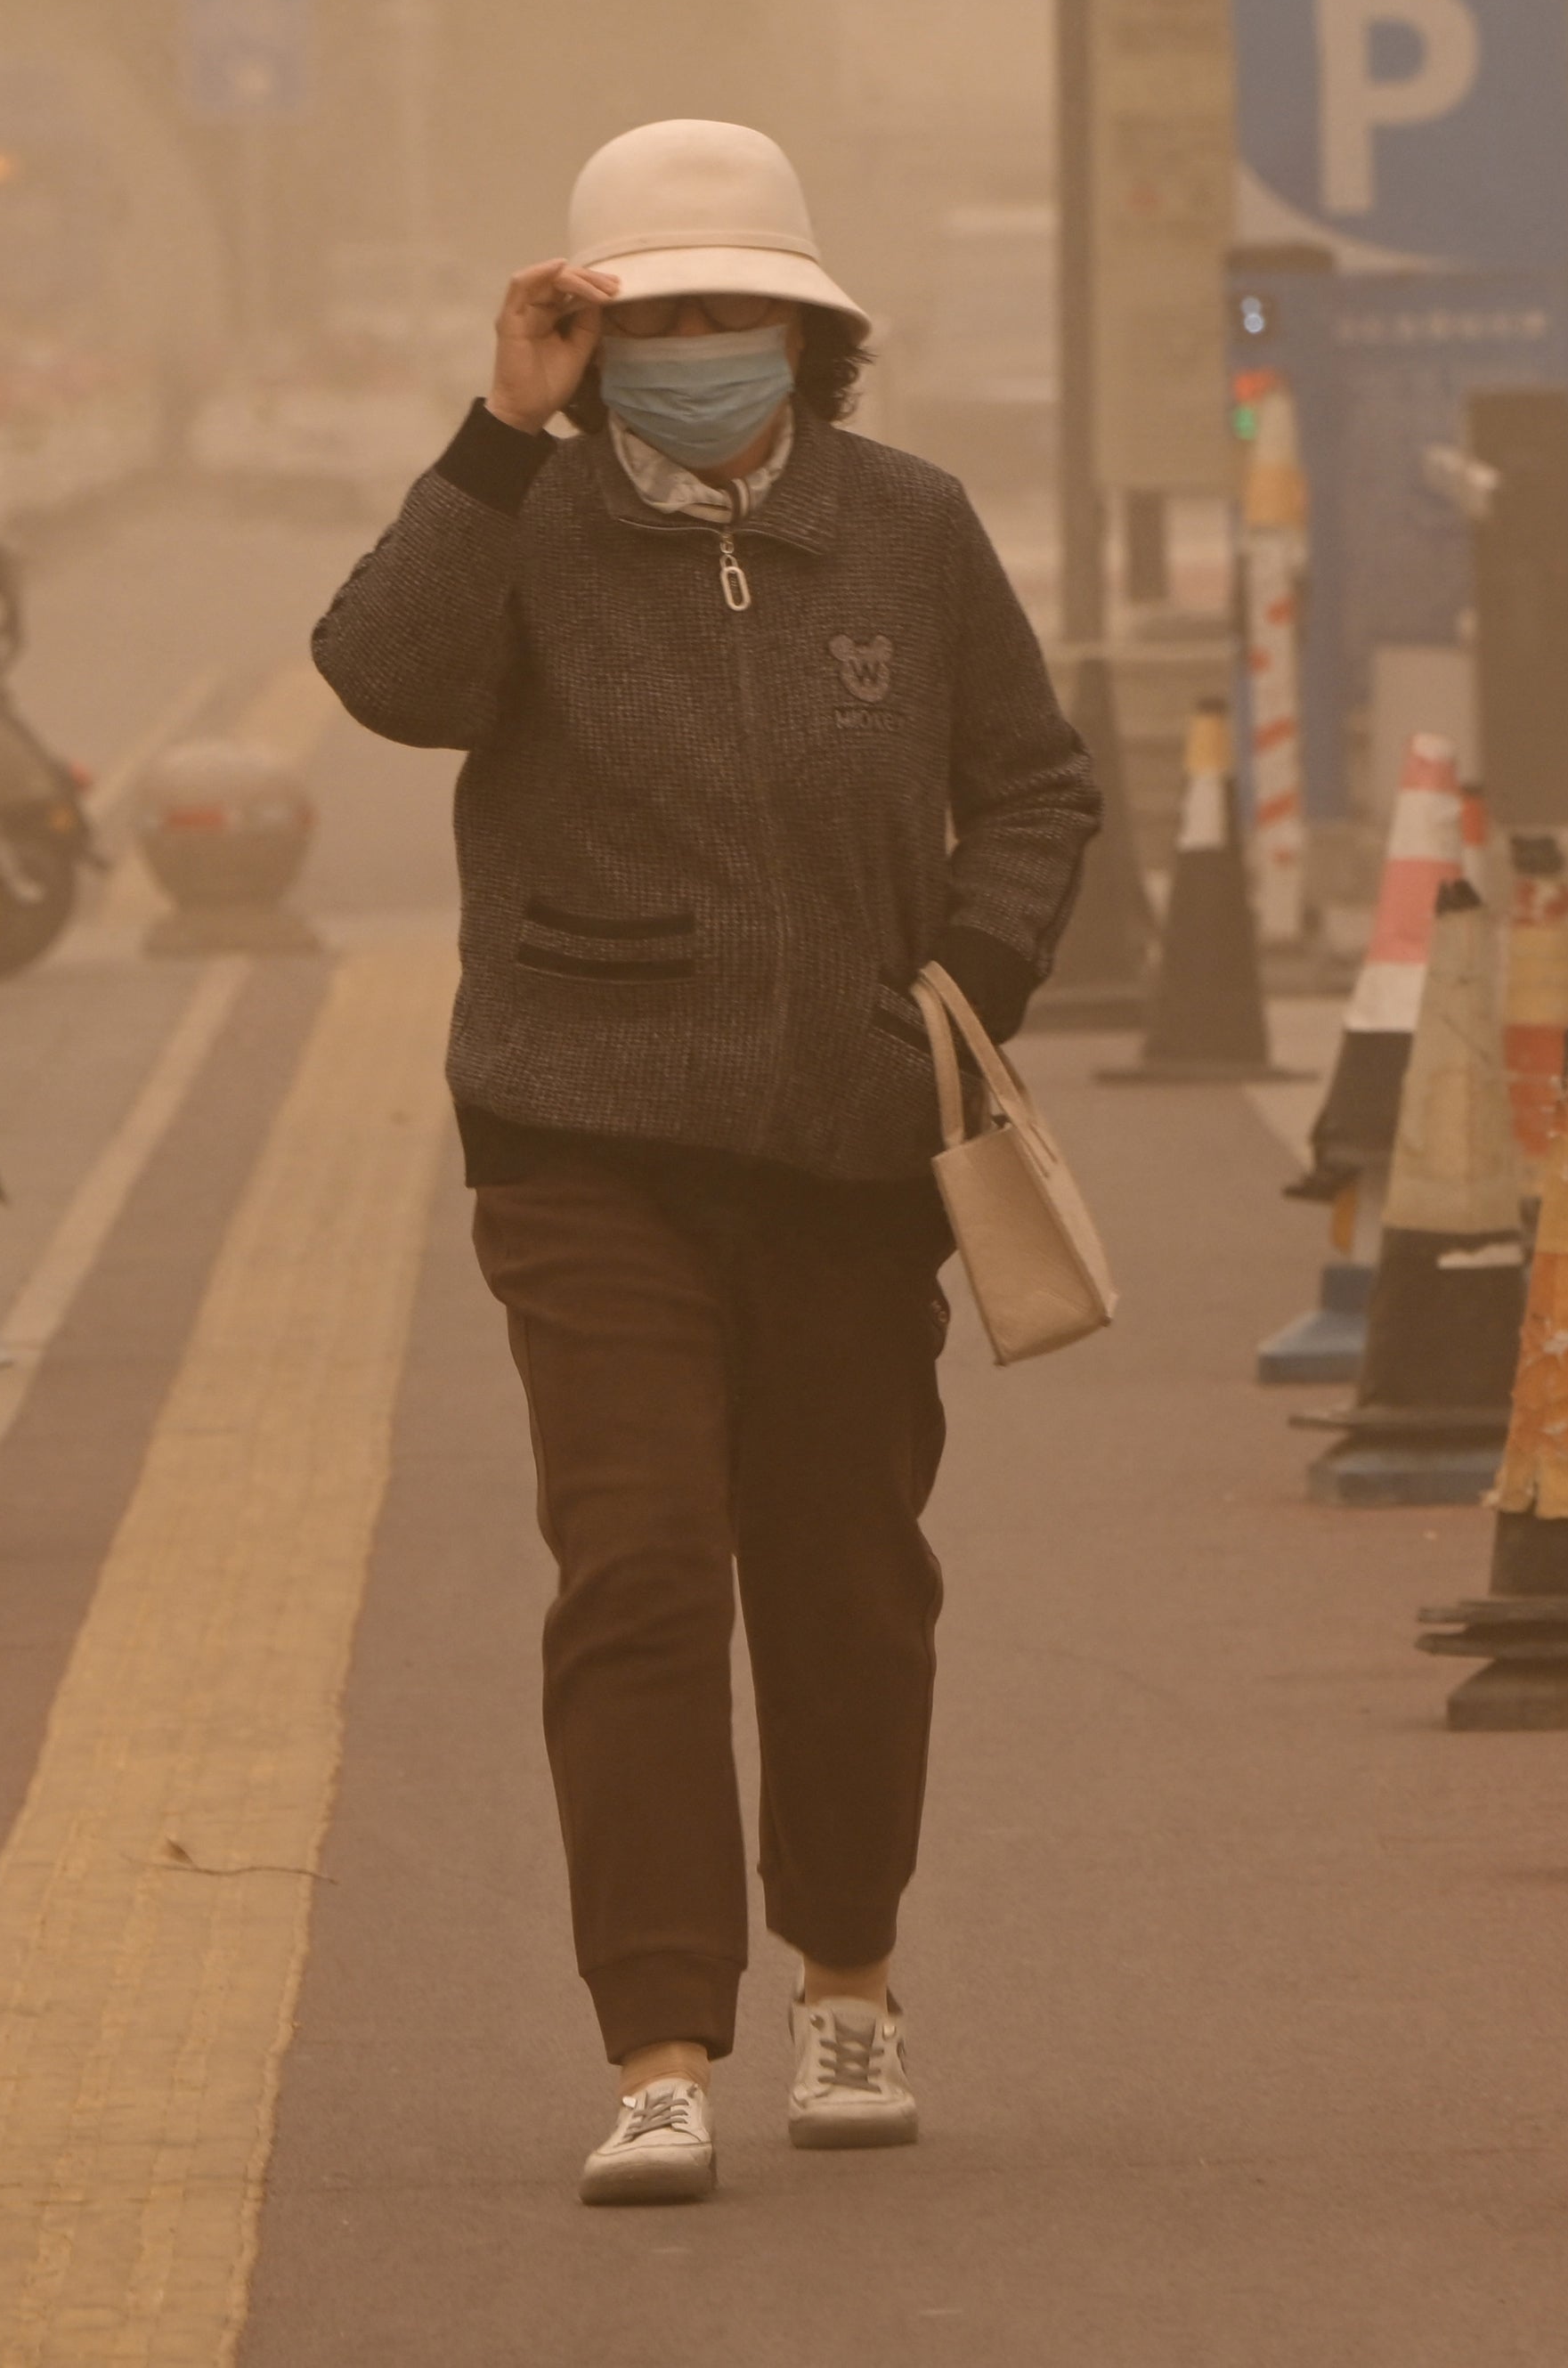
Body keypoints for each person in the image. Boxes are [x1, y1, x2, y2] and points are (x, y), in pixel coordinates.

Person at [311, 117, 1099, 2208]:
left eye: (737, 309)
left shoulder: (911, 532)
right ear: (587, 327)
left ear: (814, 334)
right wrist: (497, 436)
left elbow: (1034, 787)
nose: (697, 347)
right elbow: (383, 681)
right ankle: (659, 2043)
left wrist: (957, 983)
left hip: (849, 1146)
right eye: (650, 315)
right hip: (586, 1138)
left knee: (849, 1579)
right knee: (640, 1565)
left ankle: (850, 1969)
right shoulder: (526, 529)